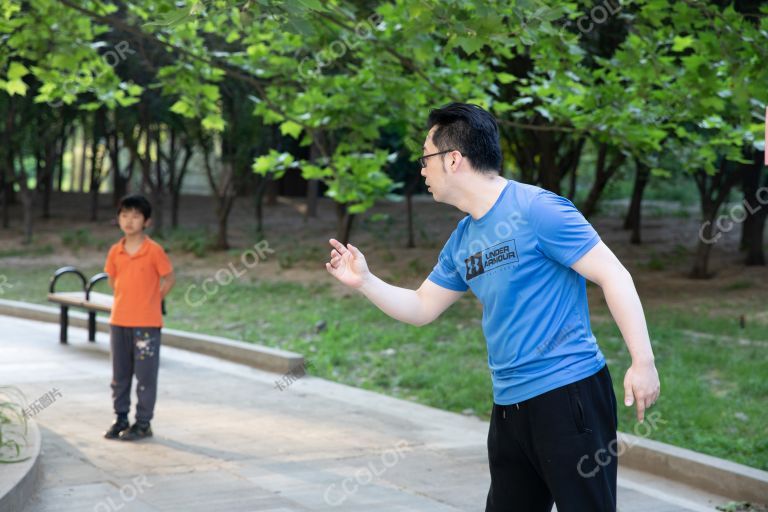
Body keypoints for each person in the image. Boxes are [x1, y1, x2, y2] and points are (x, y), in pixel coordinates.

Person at [325, 103, 660, 512]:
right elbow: (421, 306)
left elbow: (614, 274)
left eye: (425, 158)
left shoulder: (539, 209)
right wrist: (366, 282)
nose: (421, 170)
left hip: (568, 395)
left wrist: (642, 361)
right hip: (509, 408)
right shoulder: (463, 240)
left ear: (453, 159)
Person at [103, 194, 175, 441]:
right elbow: (113, 280)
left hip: (146, 324)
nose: (129, 221)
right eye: (124, 215)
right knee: (119, 374)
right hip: (119, 321)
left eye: (135, 216)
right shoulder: (115, 251)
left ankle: (143, 422)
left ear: (147, 221)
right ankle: (120, 418)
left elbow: (169, 278)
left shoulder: (153, 250)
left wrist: (154, 299)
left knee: (145, 375)